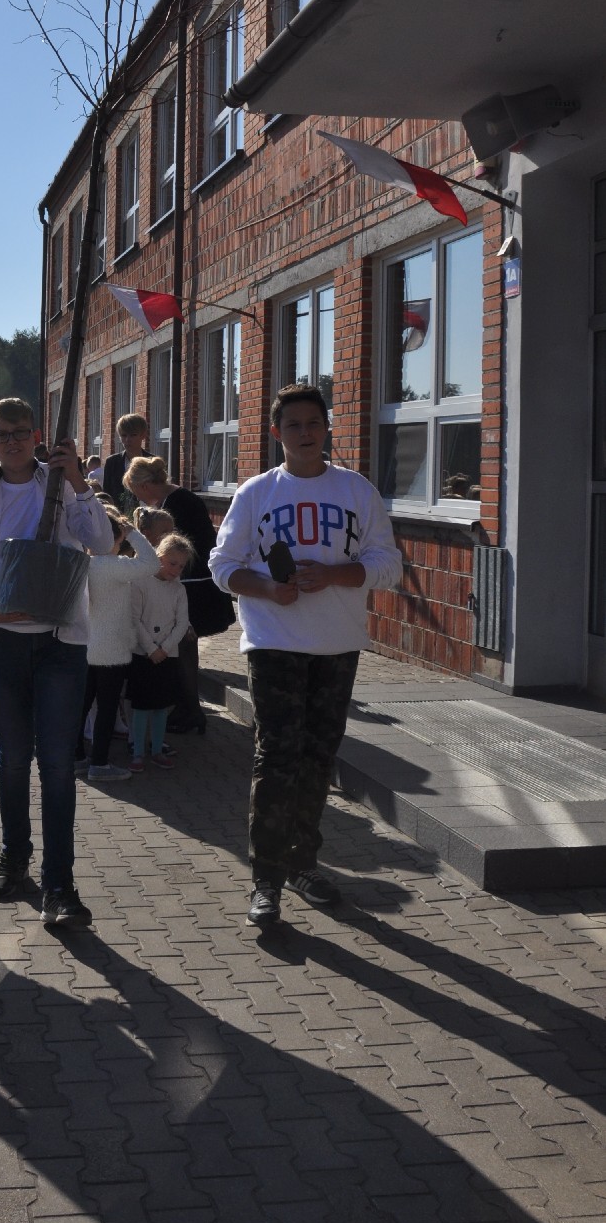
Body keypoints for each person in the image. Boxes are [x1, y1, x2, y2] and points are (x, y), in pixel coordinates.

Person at [208, 384, 402, 927]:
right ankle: (266, 879)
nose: (305, 433)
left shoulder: (356, 490)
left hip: (337, 645)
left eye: (313, 423)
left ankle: (303, 865)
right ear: (277, 433)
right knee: (277, 757)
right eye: (293, 425)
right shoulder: (257, 493)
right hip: (274, 643)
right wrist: (270, 589)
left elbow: (389, 564)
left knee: (318, 758)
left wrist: (337, 575)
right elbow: (222, 566)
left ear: (327, 427)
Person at [0, 396, 109, 928]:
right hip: (4, 644)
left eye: (21, 431)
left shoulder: (61, 483)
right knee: (14, 756)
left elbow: (101, 542)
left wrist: (80, 483)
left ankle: (60, 885)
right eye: (3, 434)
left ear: (37, 435)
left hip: (62, 642)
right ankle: (14, 857)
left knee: (59, 763)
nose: (13, 441)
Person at [124, 456, 234, 733]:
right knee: (182, 648)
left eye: (136, 492)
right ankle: (186, 706)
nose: (138, 499)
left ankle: (190, 710)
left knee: (184, 648)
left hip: (193, 585)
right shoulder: (177, 500)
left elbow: (177, 551)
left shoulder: (177, 504)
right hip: (190, 582)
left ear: (145, 485)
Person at [80, 509, 158, 783]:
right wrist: (132, 533)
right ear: (117, 538)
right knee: (107, 708)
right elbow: (152, 563)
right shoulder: (116, 565)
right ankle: (99, 763)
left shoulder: (83, 563)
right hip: (112, 650)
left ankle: (76, 757)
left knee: (81, 706)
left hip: (84, 646)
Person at [127, 533, 193, 771]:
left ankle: (157, 749)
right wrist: (151, 648)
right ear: (159, 557)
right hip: (143, 654)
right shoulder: (140, 582)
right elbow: (134, 619)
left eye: (181, 566)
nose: (176, 570)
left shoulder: (179, 590)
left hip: (168, 655)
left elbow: (182, 623)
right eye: (172, 563)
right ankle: (137, 752)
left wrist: (164, 649)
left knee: (161, 707)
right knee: (141, 706)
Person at [102, 413, 148, 511]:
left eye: (133, 435)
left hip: (146, 514)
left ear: (143, 435)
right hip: (118, 515)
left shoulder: (151, 462)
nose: (128, 440)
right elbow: (107, 493)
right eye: (124, 435)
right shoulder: (112, 462)